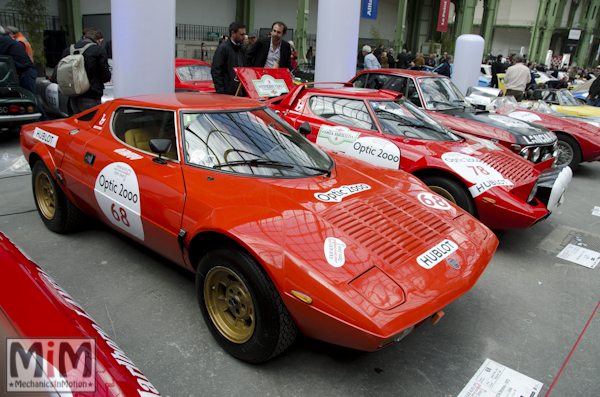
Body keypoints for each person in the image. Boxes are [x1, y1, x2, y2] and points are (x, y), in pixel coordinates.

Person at [0, 26, 47, 121]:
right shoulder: (7, 39)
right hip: (27, 72)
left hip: (26, 73)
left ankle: (43, 121)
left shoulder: (3, 41)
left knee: (31, 99)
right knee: (30, 98)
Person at [60, 27, 111, 114]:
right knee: (91, 123)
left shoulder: (69, 50)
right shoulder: (98, 50)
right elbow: (105, 76)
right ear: (99, 40)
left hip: (73, 95)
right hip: (91, 95)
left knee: (78, 123)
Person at [211, 21, 246, 95]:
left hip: (239, 92)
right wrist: (221, 91)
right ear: (233, 33)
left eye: (244, 34)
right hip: (227, 92)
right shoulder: (223, 48)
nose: (244, 37)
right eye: (241, 34)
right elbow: (216, 70)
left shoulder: (241, 48)